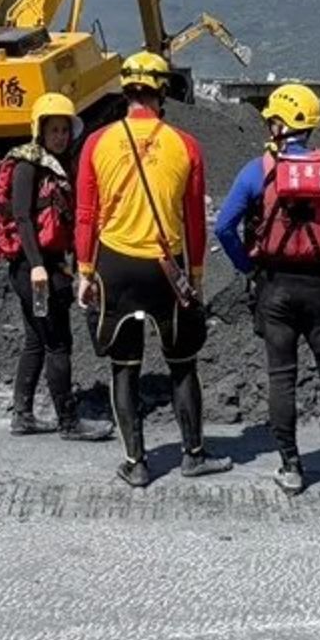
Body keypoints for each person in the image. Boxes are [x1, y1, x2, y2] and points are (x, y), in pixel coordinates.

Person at [74, 52, 233, 487]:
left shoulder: (96, 142)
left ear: (125, 92)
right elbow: (196, 220)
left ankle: (136, 463)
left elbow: (86, 213)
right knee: (182, 364)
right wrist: (196, 275)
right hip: (167, 267)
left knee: (125, 366)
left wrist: (85, 271)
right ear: (162, 92)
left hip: (115, 265)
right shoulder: (186, 145)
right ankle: (193, 454)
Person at [214, 83, 320, 501]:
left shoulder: (258, 169)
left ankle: (291, 468)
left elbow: (224, 227)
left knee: (281, 379)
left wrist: (249, 266)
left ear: (279, 123)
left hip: (275, 287)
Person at [0, 92, 113, 442]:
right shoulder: (29, 166)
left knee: (35, 339)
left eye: (64, 130)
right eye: (54, 129)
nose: (60, 136)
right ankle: (69, 422)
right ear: (39, 130)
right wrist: (37, 267)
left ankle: (23, 415)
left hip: (41, 268)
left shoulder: (57, 167)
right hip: (36, 273)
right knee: (58, 342)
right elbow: (22, 218)